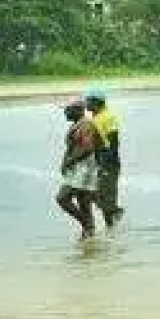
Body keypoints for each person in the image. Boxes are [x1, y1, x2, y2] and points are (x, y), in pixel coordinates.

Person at [56, 100, 102, 241]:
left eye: (67, 110)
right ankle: (88, 234)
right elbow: (72, 148)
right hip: (79, 167)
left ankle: (87, 226)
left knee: (62, 198)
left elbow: (88, 148)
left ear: (77, 110)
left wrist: (69, 161)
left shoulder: (86, 125)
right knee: (83, 202)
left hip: (84, 168)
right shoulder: (77, 125)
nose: (65, 113)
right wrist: (65, 162)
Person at [84, 90, 123, 227]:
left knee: (105, 196)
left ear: (96, 102)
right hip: (99, 161)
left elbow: (114, 143)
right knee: (97, 195)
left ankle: (112, 227)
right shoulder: (96, 117)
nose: (86, 103)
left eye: (88, 100)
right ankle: (113, 217)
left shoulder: (108, 117)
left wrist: (104, 163)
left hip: (108, 162)